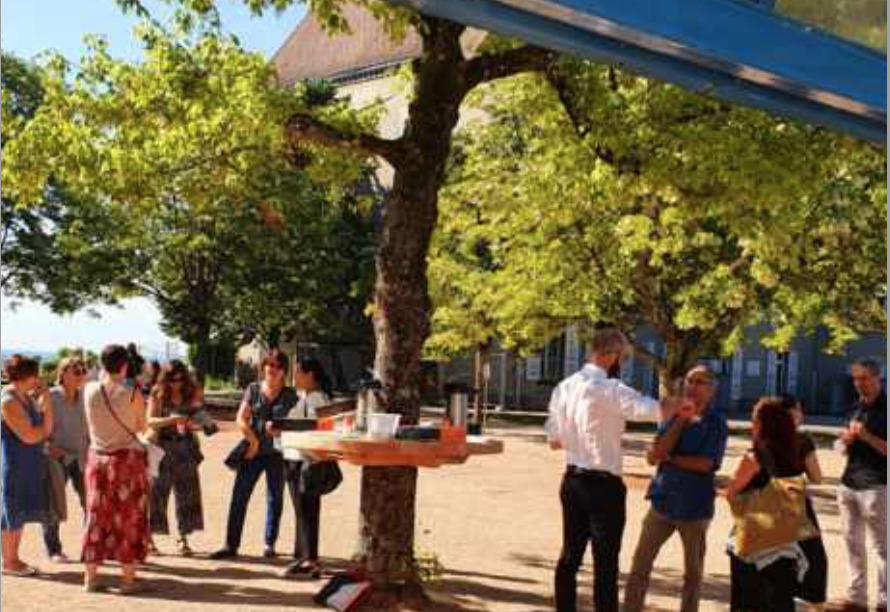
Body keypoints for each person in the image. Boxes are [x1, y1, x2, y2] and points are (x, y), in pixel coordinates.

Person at [545, 328, 676, 612]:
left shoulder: (564, 387)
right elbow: (653, 410)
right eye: (622, 356)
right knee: (605, 561)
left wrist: (579, 432)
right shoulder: (611, 389)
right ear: (612, 355)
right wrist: (682, 403)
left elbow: (554, 440)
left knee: (570, 556)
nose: (622, 362)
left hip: (572, 480)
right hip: (603, 485)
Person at [623, 365, 727, 612]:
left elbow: (705, 464)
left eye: (700, 381)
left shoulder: (716, 423)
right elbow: (653, 456)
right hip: (663, 502)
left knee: (693, 575)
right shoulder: (672, 416)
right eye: (690, 380)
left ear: (712, 389)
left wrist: (669, 458)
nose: (692, 386)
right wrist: (680, 419)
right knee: (640, 566)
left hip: (695, 507)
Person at [210, 350, 297, 560]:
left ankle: (269, 544)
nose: (271, 369)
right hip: (252, 451)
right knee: (239, 496)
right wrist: (253, 441)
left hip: (278, 453)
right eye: (268, 365)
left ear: (284, 371)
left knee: (275, 499)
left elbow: (296, 424)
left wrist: (282, 430)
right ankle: (230, 545)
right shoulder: (254, 389)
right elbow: (241, 418)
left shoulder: (290, 395)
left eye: (276, 366)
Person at [724, 397, 808, 612]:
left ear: (764, 425)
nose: (751, 425)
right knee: (779, 601)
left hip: (752, 540)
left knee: (747, 603)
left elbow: (731, 493)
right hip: (783, 542)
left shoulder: (754, 458)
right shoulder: (793, 456)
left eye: (755, 421)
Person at [81, 344, 150, 594]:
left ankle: (90, 578)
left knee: (96, 517)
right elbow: (142, 427)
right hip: (126, 461)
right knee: (129, 517)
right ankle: (128, 580)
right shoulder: (133, 394)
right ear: (124, 365)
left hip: (97, 459)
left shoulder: (88, 390)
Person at [830, 359, 887, 612]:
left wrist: (866, 437)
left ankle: (884, 601)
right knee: (853, 544)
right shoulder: (853, 408)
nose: (859, 384)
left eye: (864, 378)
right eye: (855, 379)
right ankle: (857, 598)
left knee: (882, 547)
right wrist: (844, 442)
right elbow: (842, 448)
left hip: (877, 486)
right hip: (848, 483)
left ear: (878, 378)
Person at [276, 357, 334, 578]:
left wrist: (282, 427)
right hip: (297, 457)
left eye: (299, 373)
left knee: (305, 511)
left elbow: (315, 429)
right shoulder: (307, 396)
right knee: (304, 511)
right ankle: (305, 557)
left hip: (304, 460)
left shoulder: (316, 398)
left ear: (310, 375)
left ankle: (310, 560)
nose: (295, 377)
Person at [1, 355, 54, 577]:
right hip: (13, 464)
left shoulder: (27, 398)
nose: (38, 379)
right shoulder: (8, 400)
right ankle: (9, 561)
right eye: (35, 374)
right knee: (10, 512)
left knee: (19, 512)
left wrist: (47, 401)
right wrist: (41, 431)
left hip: (27, 464)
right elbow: (30, 436)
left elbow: (47, 429)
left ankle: (13, 558)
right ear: (27, 376)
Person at [146, 360, 205, 556]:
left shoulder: (191, 392)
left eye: (180, 379)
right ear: (165, 378)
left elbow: (203, 420)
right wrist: (171, 420)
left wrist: (196, 424)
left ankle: (183, 538)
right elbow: (150, 420)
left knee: (187, 494)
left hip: (186, 446)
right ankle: (149, 538)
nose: (176, 384)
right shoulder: (157, 392)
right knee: (157, 494)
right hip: (163, 447)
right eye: (172, 379)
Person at [782, 394, 828, 612]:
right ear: (791, 413)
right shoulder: (801, 441)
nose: (802, 414)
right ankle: (814, 604)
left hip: (766, 507)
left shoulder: (761, 438)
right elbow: (817, 477)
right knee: (814, 559)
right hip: (796, 503)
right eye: (799, 409)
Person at [41, 357, 90, 563]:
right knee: (53, 505)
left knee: (90, 504)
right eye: (75, 371)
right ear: (62, 374)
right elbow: (37, 424)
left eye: (82, 371)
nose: (80, 374)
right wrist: (47, 446)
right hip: (57, 458)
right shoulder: (50, 396)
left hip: (81, 457)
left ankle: (90, 547)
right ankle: (54, 550)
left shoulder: (86, 397)